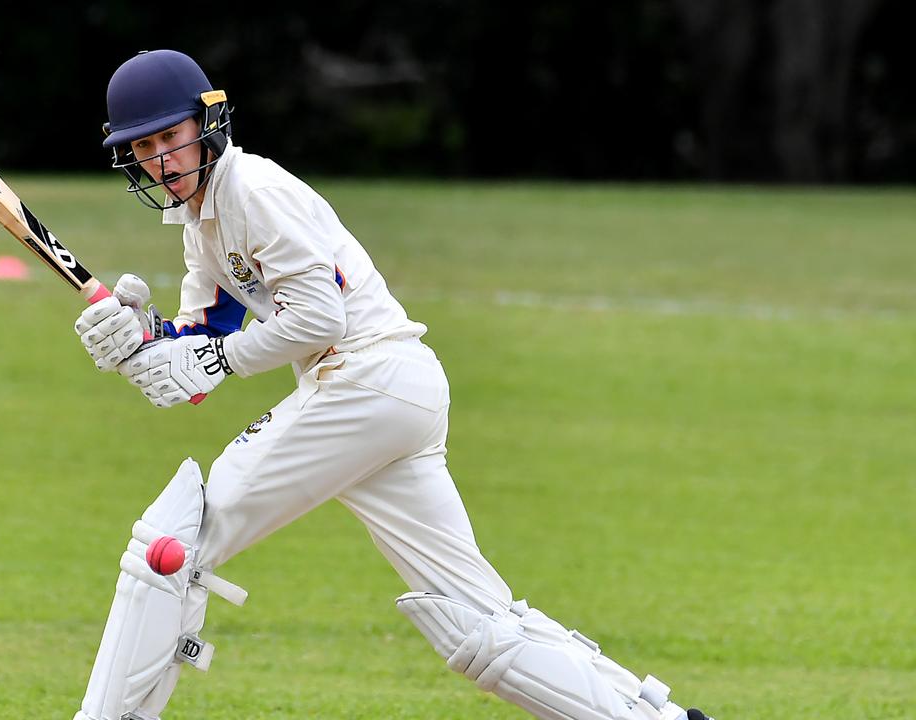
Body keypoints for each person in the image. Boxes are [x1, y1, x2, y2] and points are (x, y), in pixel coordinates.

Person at [70, 49, 716, 720]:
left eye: (169, 138)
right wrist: (142, 340)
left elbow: (318, 318)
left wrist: (213, 361)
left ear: (207, 124)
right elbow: (200, 351)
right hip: (388, 394)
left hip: (365, 381)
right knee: (474, 623)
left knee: (173, 543)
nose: (161, 160)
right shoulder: (200, 224)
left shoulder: (253, 191)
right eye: (143, 147)